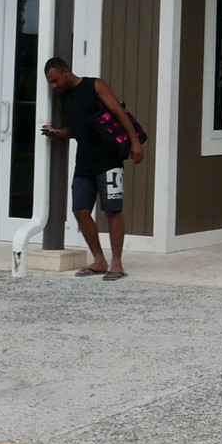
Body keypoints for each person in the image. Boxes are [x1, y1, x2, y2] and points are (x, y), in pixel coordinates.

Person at [39, 57, 147, 280]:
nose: (54, 86)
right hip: (84, 161)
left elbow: (119, 113)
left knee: (113, 210)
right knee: (80, 209)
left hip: (108, 158)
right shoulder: (64, 98)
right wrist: (57, 132)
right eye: (50, 82)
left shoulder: (94, 85)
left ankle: (116, 263)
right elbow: (74, 130)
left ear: (67, 71)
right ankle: (99, 260)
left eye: (56, 80)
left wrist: (135, 144)